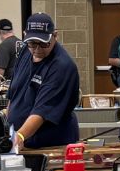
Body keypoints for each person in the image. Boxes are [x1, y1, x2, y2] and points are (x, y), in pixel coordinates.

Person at [8, 14, 82, 149]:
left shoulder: (61, 66)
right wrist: (7, 126)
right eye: (32, 43)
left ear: (55, 36)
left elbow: (42, 112)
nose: (37, 49)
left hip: (50, 144)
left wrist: (20, 136)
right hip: (21, 142)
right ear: (25, 35)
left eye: (43, 44)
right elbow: (14, 94)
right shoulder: (25, 51)